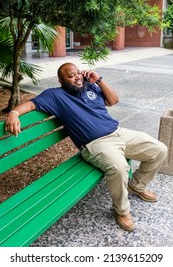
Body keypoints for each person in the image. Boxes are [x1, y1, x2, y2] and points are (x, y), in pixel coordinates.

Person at [5, 62, 168, 231]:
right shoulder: (54, 96)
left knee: (159, 150)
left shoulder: (91, 87)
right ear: (61, 80)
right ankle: (122, 211)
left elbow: (113, 100)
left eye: (78, 73)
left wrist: (98, 80)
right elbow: (31, 104)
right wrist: (14, 113)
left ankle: (137, 185)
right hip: (96, 144)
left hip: (118, 132)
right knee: (119, 167)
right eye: (71, 75)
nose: (77, 78)